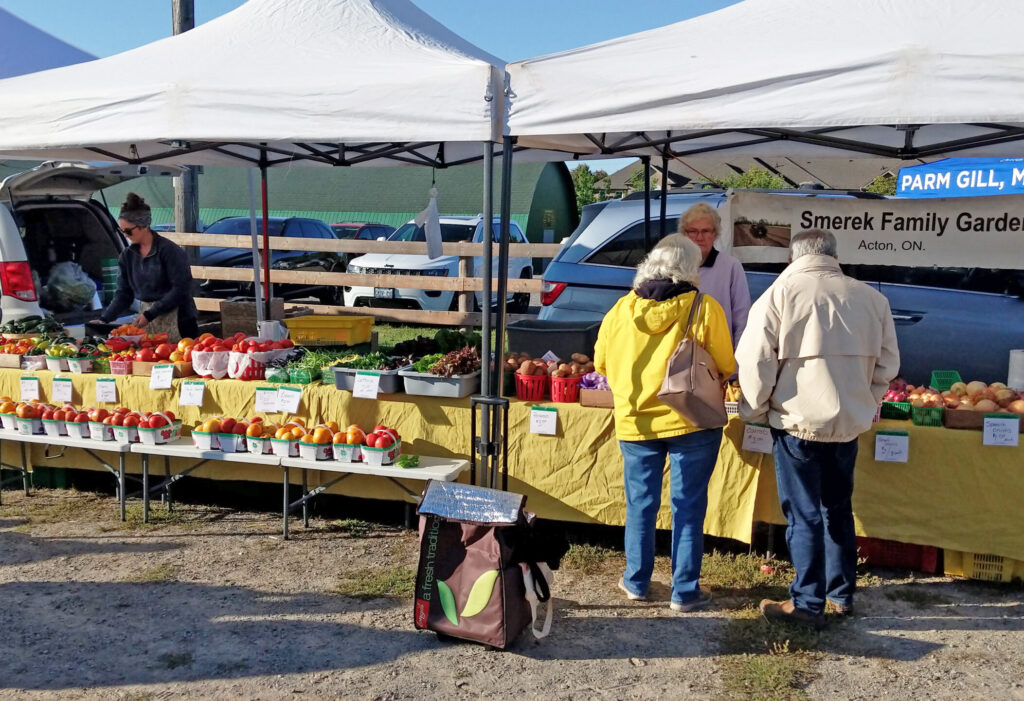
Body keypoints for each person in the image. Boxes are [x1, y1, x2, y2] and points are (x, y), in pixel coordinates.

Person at [735, 229, 899, 629]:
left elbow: (756, 363)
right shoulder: (872, 299)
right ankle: (840, 595)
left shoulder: (779, 294)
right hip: (847, 425)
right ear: (833, 255)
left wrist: (753, 411)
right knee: (838, 509)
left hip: (797, 424)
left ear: (793, 257)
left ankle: (807, 602)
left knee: (804, 515)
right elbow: (888, 366)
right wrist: (864, 401)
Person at [594, 234, 737, 612]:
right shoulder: (705, 308)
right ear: (691, 268)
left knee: (640, 504)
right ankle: (684, 591)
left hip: (636, 423)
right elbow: (726, 363)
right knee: (688, 506)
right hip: (692, 419)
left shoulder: (621, 310)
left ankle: (636, 582)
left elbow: (600, 364)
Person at [91, 193, 199, 341]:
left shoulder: (170, 251)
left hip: (180, 318)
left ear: (143, 226)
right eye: (122, 231)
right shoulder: (126, 256)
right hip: (147, 318)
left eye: (128, 230)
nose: (125, 235)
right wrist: (104, 319)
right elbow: (123, 294)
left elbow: (180, 289)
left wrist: (150, 314)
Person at [678, 203, 751, 346]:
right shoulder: (673, 266)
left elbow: (742, 319)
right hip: (678, 357)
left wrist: (736, 364)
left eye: (706, 231)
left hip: (717, 355)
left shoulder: (731, 266)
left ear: (715, 234)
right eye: (693, 231)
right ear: (684, 234)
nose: (699, 237)